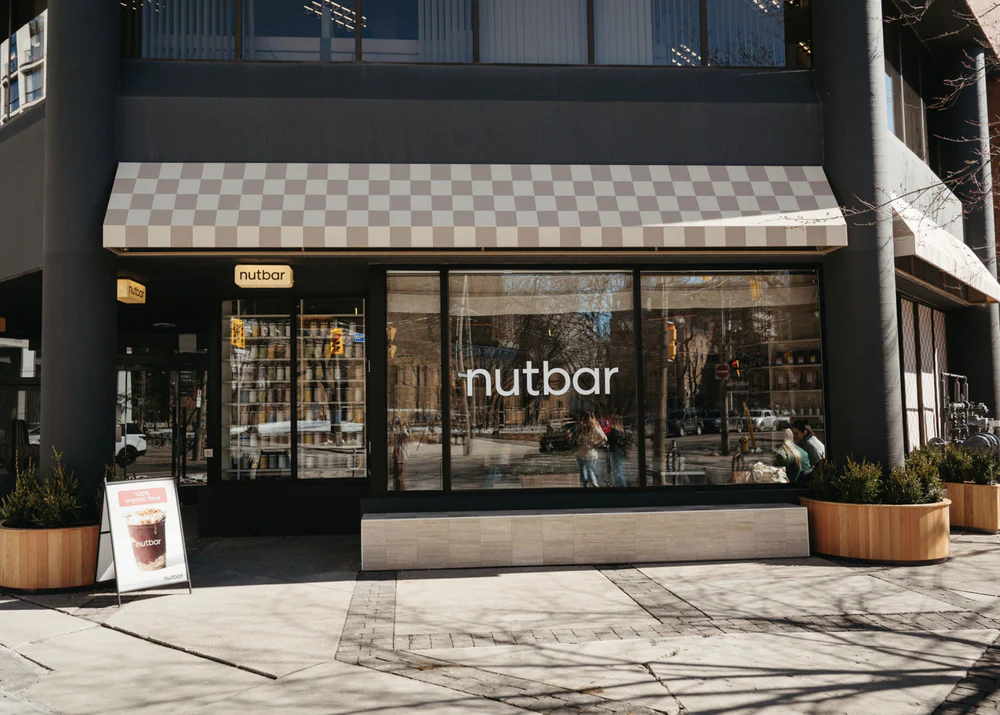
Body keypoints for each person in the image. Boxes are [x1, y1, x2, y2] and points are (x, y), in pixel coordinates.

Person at [575, 412, 606, 488]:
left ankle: (586, 485)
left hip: (580, 452)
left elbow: (577, 439)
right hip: (591, 452)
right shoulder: (595, 426)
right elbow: (604, 438)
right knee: (590, 469)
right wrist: (596, 444)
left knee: (583, 469)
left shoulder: (582, 426)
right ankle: (593, 483)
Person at [606, 415, 634, 487]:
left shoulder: (614, 430)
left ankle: (621, 485)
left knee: (617, 469)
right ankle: (620, 484)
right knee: (618, 469)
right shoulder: (620, 429)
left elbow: (611, 440)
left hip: (615, 451)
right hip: (620, 451)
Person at [391, 417, 409, 491]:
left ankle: (400, 486)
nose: (396, 423)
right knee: (396, 469)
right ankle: (397, 485)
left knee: (400, 469)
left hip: (400, 450)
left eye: (397, 421)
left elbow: (405, 435)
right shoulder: (394, 429)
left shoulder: (401, 429)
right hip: (396, 450)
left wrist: (403, 427)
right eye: (395, 421)